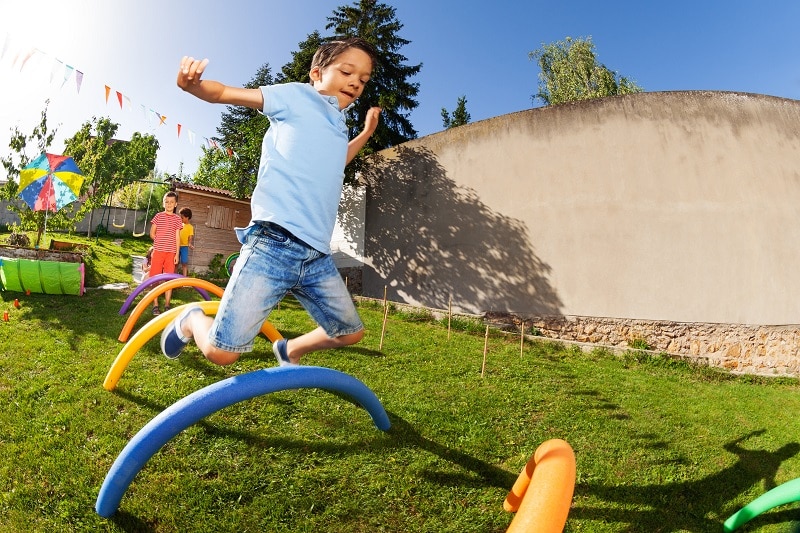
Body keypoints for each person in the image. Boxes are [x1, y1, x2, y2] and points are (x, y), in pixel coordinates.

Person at [162, 37, 381, 367]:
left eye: (363, 80)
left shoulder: (338, 125)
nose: (355, 82)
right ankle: (193, 319)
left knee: (349, 332)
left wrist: (364, 134)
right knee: (222, 353)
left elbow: (338, 163)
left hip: (316, 255)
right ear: (317, 73)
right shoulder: (297, 97)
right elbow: (225, 94)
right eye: (348, 71)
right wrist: (194, 87)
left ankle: (289, 350)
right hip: (273, 244)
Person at [148, 191, 183, 314]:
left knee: (169, 279)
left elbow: (178, 238)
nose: (169, 204)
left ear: (175, 204)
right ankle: (155, 305)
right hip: (158, 251)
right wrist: (159, 241)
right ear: (164, 203)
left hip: (171, 253)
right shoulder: (158, 216)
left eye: (171, 202)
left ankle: (167, 304)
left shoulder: (177, 219)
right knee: (155, 278)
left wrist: (177, 254)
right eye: (166, 202)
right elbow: (152, 233)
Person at [178, 207, 195, 276]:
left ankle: (184, 278)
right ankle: (172, 279)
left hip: (184, 247)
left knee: (184, 263)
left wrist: (190, 244)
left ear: (187, 217)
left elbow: (190, 237)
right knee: (175, 263)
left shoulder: (190, 227)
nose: (180, 219)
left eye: (182, 217)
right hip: (177, 246)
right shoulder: (179, 225)